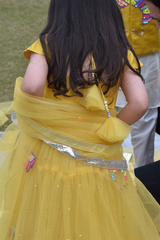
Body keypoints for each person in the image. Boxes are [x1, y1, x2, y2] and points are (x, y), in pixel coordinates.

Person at [0, 0, 160, 239]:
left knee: (49, 205)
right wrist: (112, 127)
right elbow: (140, 103)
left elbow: (31, 86)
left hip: (50, 150)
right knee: (99, 210)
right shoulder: (120, 50)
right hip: (99, 150)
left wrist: (47, 118)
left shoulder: (47, 45)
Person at [116, 0, 160, 168]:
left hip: (145, 49)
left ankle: (143, 174)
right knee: (99, 108)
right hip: (104, 45)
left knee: (145, 116)